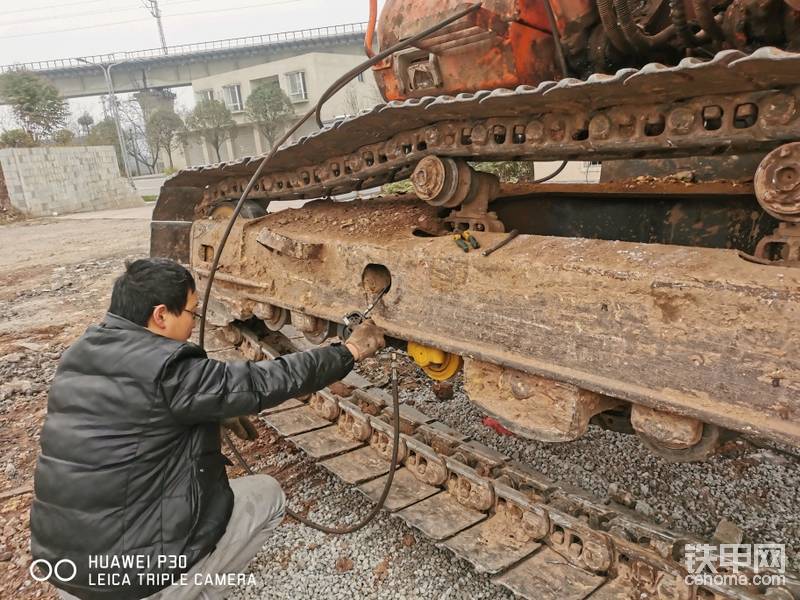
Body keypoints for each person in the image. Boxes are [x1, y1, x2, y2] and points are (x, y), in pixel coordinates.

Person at [29, 258, 385, 600]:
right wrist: (350, 350)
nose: (193, 321)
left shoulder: (79, 355)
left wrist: (205, 412)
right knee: (268, 495)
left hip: (64, 571)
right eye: (191, 312)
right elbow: (266, 381)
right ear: (160, 315)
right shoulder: (170, 369)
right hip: (132, 581)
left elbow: (133, 418)